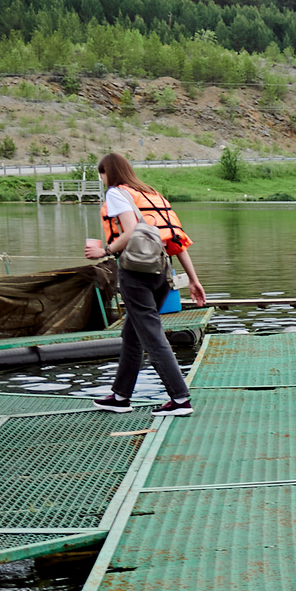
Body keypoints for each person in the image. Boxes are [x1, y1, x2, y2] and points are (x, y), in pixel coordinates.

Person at [85, 152, 206, 417]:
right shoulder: (152, 195)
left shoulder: (117, 193)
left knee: (151, 334)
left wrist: (104, 251)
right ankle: (120, 396)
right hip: (162, 272)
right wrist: (194, 281)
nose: (102, 179)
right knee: (133, 333)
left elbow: (129, 231)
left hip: (136, 272)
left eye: (101, 174)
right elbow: (177, 240)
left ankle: (179, 399)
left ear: (107, 172)